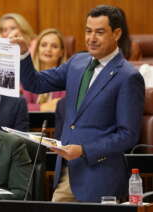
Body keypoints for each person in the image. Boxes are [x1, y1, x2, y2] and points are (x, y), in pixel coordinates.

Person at [10, 5, 145, 202]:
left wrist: (84, 150)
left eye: (99, 32)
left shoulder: (128, 76)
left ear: (116, 33)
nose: (91, 38)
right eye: (88, 31)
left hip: (101, 176)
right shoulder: (77, 62)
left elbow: (128, 135)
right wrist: (23, 54)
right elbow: (35, 83)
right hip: (67, 172)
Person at [22, 28, 66, 112]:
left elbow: (65, 107)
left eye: (54, 46)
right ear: (37, 49)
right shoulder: (27, 75)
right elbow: (21, 107)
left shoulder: (67, 77)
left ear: (61, 52)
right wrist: (43, 107)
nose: (48, 49)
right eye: (44, 45)